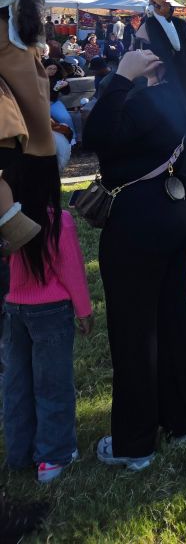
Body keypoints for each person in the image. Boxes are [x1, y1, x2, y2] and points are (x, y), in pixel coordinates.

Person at [83, 20, 186, 471]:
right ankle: (179, 421)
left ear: (153, 54)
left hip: (137, 224)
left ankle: (134, 443)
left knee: (134, 331)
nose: (130, 48)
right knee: (173, 320)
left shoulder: (144, 98)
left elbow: (94, 135)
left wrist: (120, 77)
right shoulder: (184, 98)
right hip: (174, 218)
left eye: (138, 44)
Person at [1, 174, 93, 482]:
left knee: (17, 383)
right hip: (51, 312)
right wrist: (84, 309)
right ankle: (54, 455)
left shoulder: (8, 220)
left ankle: (19, 452)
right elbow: (72, 270)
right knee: (53, 383)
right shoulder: (59, 220)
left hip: (15, 308)